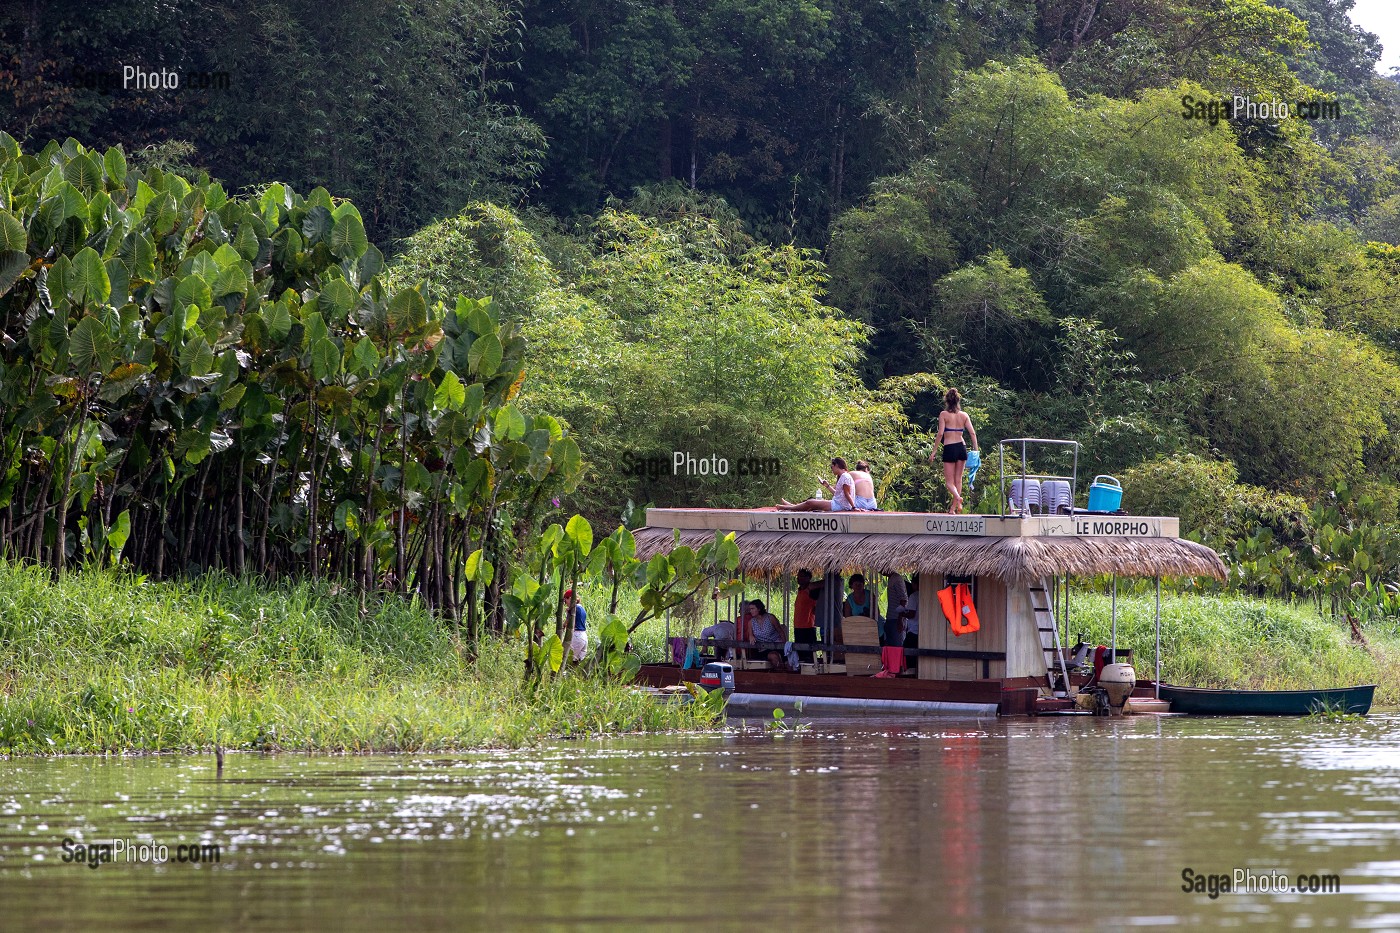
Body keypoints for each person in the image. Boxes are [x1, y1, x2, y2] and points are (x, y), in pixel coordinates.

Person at [930, 388, 979, 514]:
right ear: (958, 401)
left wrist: (934, 451)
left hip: (950, 447)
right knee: (958, 480)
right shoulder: (964, 415)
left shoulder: (943, 415)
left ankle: (957, 498)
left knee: (949, 482)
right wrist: (976, 450)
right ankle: (953, 508)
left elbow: (940, 434)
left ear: (947, 401)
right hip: (961, 447)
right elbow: (972, 433)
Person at [777, 458, 872, 511]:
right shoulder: (844, 476)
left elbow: (847, 494)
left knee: (810, 502)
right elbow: (838, 494)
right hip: (838, 503)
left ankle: (788, 507)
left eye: (832, 467)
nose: (831, 469)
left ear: (836, 466)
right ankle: (792, 506)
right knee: (811, 505)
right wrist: (827, 486)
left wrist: (854, 507)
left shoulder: (845, 477)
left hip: (839, 505)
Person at [745, 599, 787, 669]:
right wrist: (751, 636)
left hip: (776, 646)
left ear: (759, 608)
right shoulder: (751, 622)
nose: (750, 611)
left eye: (752, 609)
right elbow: (750, 635)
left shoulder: (771, 618)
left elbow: (780, 631)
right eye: (750, 609)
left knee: (774, 655)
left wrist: (784, 646)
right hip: (762, 649)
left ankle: (781, 673)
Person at [791, 569, 822, 665]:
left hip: (808, 626)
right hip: (798, 627)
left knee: (810, 653)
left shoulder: (810, 590)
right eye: (798, 576)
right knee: (800, 653)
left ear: (809, 578)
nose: (799, 579)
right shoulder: (800, 591)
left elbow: (824, 583)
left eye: (802, 576)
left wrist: (810, 585)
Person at [566, 589, 588, 662]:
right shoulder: (581, 608)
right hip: (584, 636)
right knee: (577, 662)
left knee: (569, 660)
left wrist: (568, 613)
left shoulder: (574, 609)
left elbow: (566, 623)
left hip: (576, 636)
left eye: (565, 599)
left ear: (570, 598)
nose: (565, 602)